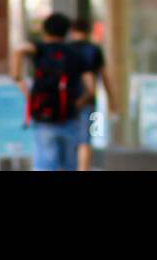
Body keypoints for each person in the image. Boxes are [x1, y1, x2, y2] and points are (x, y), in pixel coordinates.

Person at [11, 12, 93, 171]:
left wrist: (18, 79)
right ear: (66, 32)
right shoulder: (74, 54)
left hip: (44, 119)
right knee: (69, 164)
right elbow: (90, 89)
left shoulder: (40, 49)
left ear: (45, 31)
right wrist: (78, 104)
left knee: (45, 164)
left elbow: (18, 49)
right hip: (69, 117)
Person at [69, 18, 117, 170]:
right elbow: (105, 77)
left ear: (72, 31)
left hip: (67, 101)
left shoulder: (66, 49)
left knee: (68, 138)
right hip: (88, 99)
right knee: (85, 140)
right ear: (88, 32)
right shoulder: (94, 50)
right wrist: (112, 101)